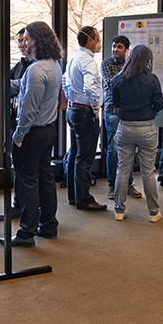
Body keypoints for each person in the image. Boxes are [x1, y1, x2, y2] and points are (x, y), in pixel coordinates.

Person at [0, 21, 62, 248]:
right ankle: (49, 226)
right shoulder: (53, 64)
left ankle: (26, 233)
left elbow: (28, 111)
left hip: (31, 135)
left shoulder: (36, 70)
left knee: (27, 184)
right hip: (48, 131)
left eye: (27, 38)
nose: (24, 43)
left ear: (37, 39)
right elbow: (23, 87)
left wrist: (18, 137)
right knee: (45, 178)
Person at [111, 45, 163, 222]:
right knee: (148, 172)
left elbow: (115, 102)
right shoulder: (152, 79)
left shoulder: (119, 79)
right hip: (146, 127)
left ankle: (119, 210)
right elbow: (159, 103)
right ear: (147, 60)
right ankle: (153, 212)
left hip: (125, 126)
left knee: (122, 169)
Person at [63, 26, 106, 211]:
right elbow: (90, 87)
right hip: (85, 112)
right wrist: (95, 105)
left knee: (75, 153)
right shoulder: (89, 62)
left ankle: (74, 195)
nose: (98, 43)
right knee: (86, 157)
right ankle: (84, 199)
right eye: (97, 39)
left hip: (73, 109)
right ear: (89, 41)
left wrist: (73, 99)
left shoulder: (74, 57)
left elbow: (65, 81)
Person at [0, 28, 33, 221]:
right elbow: (8, 87)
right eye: (19, 42)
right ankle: (18, 206)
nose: (21, 45)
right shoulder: (18, 66)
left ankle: (29, 211)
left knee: (28, 173)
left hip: (29, 126)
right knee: (17, 169)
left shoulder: (37, 67)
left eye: (24, 41)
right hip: (14, 120)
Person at [101, 35, 142, 200]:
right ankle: (112, 185)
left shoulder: (132, 65)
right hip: (113, 111)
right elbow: (111, 84)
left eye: (119, 47)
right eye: (114, 46)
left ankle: (129, 184)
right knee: (114, 149)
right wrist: (128, 76)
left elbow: (137, 87)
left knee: (130, 150)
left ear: (127, 50)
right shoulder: (106, 64)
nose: (115, 50)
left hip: (130, 112)